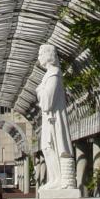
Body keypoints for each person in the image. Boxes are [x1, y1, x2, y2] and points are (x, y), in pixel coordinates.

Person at [36, 43, 74, 189]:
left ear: (48, 55)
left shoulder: (54, 73)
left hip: (54, 120)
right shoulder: (49, 74)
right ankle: (53, 179)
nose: (39, 57)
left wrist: (39, 90)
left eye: (41, 54)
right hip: (48, 119)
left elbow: (47, 101)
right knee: (46, 147)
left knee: (52, 146)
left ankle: (59, 179)